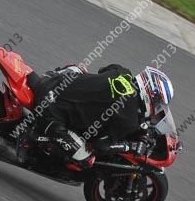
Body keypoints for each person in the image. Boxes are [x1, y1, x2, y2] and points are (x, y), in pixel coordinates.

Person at [27, 64, 173, 168]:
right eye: (158, 104)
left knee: (80, 69)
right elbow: (101, 146)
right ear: (150, 95)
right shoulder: (129, 120)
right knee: (86, 159)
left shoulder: (122, 71)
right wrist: (130, 146)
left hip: (53, 80)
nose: (157, 109)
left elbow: (103, 70)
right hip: (49, 109)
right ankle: (33, 147)